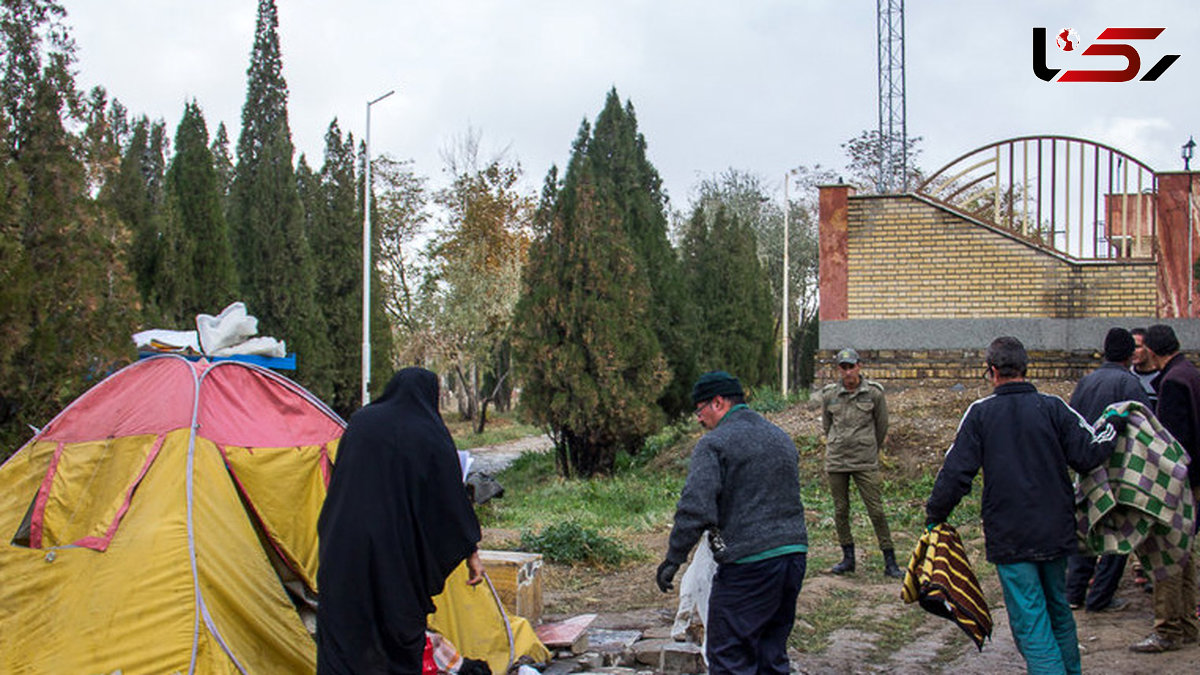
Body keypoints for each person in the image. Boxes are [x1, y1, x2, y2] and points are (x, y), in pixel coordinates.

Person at [925, 337, 1123, 674]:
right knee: (1058, 610)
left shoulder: (980, 414)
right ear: (1026, 369)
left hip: (1011, 535)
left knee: (1031, 620)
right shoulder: (1053, 407)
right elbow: (1088, 455)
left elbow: (956, 472)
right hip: (1056, 530)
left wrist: (936, 516)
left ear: (991, 372)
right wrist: (1113, 424)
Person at [317, 367, 485, 675]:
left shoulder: (361, 422)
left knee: (344, 634)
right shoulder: (429, 432)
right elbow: (449, 502)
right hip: (393, 561)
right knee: (394, 636)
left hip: (341, 548)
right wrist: (470, 551)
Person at [657, 370, 808, 675]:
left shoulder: (715, 444)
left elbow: (695, 509)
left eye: (700, 411)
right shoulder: (779, 437)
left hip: (749, 566)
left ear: (718, 403)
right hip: (793, 558)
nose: (699, 420)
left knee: (730, 657)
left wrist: (673, 558)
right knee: (771, 654)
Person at [1064, 328, 1151, 613]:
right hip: (1120, 472)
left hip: (1088, 468)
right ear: (1129, 355)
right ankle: (1101, 598)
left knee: (1087, 528)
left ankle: (1073, 593)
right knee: (1119, 535)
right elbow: (1146, 429)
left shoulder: (1087, 382)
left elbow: (1072, 421)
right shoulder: (1130, 385)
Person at [1129, 324, 1200, 653]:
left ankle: (1167, 629)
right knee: (1184, 553)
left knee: (1166, 554)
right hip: (1194, 481)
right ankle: (1186, 623)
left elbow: (1172, 444)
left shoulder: (1172, 383)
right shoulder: (1190, 373)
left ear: (1154, 353)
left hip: (1178, 483)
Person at [819, 348, 903, 578]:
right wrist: (838, 443)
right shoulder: (829, 395)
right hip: (837, 460)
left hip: (864, 459)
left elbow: (881, 425)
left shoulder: (873, 394)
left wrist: (870, 448)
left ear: (859, 366)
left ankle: (890, 560)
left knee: (875, 510)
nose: (848, 372)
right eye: (843, 367)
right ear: (839, 369)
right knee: (841, 510)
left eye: (851, 366)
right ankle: (848, 558)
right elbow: (827, 425)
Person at [1131, 327, 1160, 408]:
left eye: (1137, 347)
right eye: (1131, 347)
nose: (1133, 351)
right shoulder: (1127, 377)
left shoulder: (1161, 377)